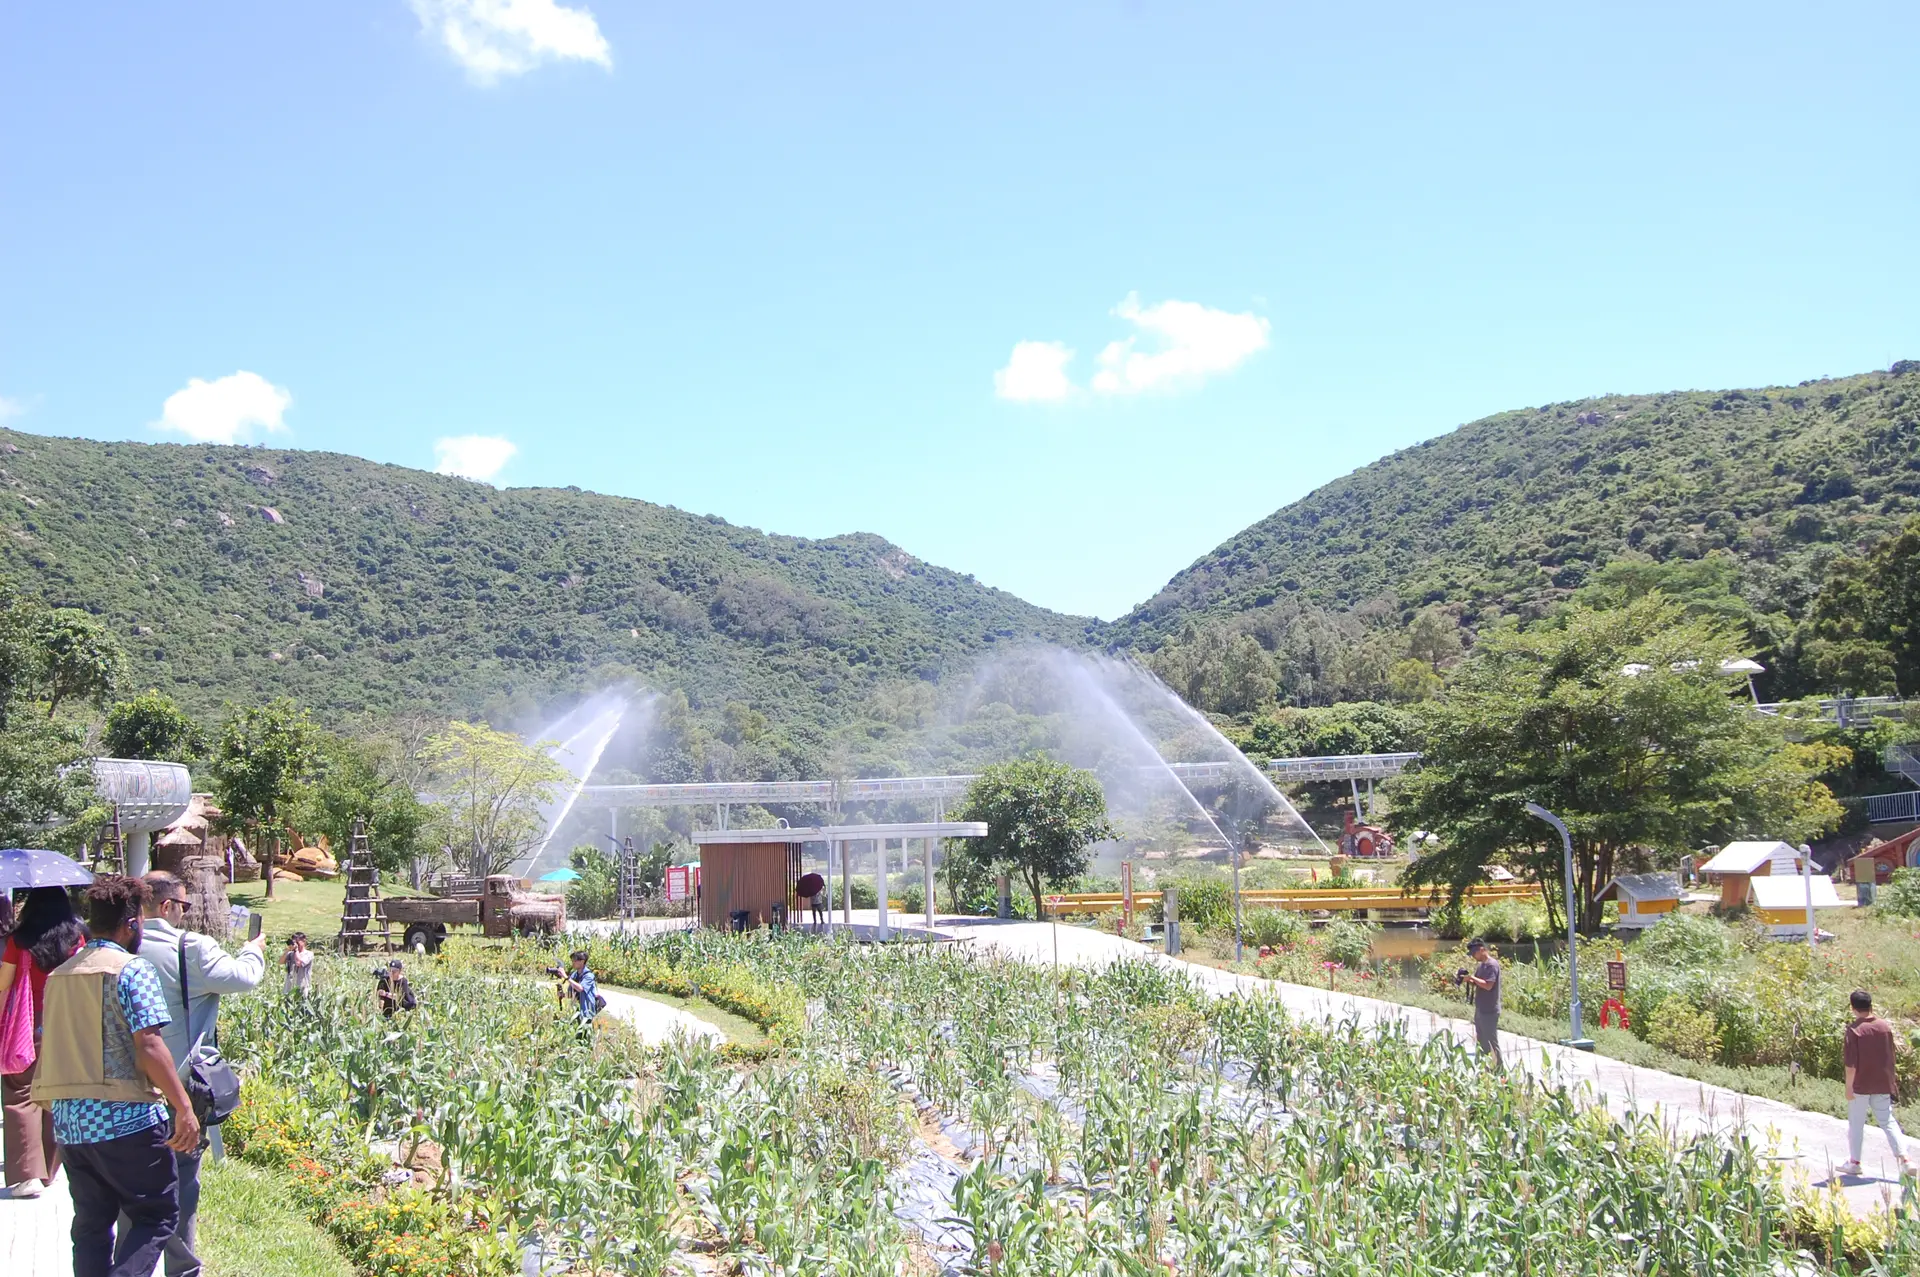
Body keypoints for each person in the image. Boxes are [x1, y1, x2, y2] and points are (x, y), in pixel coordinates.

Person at [33, 876, 200, 1277]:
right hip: (127, 1122)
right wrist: (183, 1106)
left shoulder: (61, 975)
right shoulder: (132, 970)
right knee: (157, 1214)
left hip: (72, 1126)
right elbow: (150, 1045)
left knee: (91, 1226)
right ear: (131, 924)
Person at [136, 871, 266, 1277]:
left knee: (133, 1188)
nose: (185, 913)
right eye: (184, 905)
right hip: (180, 1088)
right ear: (167, 906)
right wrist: (253, 951)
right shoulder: (190, 947)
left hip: (128, 1089)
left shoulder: (121, 945)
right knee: (181, 1185)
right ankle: (181, 1269)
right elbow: (243, 978)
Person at [2, 885, 88, 1198]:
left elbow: (4, 985)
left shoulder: (19, 940)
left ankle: (28, 1176)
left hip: (26, 1025)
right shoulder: (77, 940)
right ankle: (50, 1171)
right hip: (65, 1024)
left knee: (20, 1093)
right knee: (57, 1092)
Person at [1839, 989, 1914, 1178]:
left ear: (1853, 1008)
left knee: (1856, 1123)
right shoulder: (1884, 1027)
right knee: (1887, 1120)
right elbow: (1890, 1056)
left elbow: (1850, 1065)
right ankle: (1905, 1159)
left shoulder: (1854, 1030)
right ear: (1871, 1005)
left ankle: (1855, 1162)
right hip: (1881, 1082)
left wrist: (1848, 1087)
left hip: (1860, 1084)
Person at [1462, 938, 1502, 1068]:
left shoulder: (1492, 965)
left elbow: (1488, 985)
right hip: (1480, 1009)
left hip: (1490, 1010)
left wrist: (1473, 978)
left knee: (1491, 1042)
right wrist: (1467, 979)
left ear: (1482, 949)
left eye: (1474, 953)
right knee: (1481, 1041)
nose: (1473, 956)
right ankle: (1485, 1069)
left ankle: (1499, 1070)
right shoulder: (1481, 966)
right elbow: (1479, 983)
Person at [561, 950, 599, 1025]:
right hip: (575, 1010)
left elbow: (580, 988)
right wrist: (563, 995)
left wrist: (566, 977)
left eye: (575, 960)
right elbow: (571, 994)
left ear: (582, 961)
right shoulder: (574, 975)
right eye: (572, 960)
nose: (573, 963)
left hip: (586, 1012)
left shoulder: (589, 976)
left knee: (585, 1030)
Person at [283, 932, 315, 997]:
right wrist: (287, 950)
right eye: (294, 942)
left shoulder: (309, 954)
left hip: (301, 987)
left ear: (304, 941)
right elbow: (280, 962)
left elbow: (299, 963)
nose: (295, 944)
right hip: (289, 986)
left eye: (297, 942)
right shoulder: (290, 953)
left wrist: (296, 950)